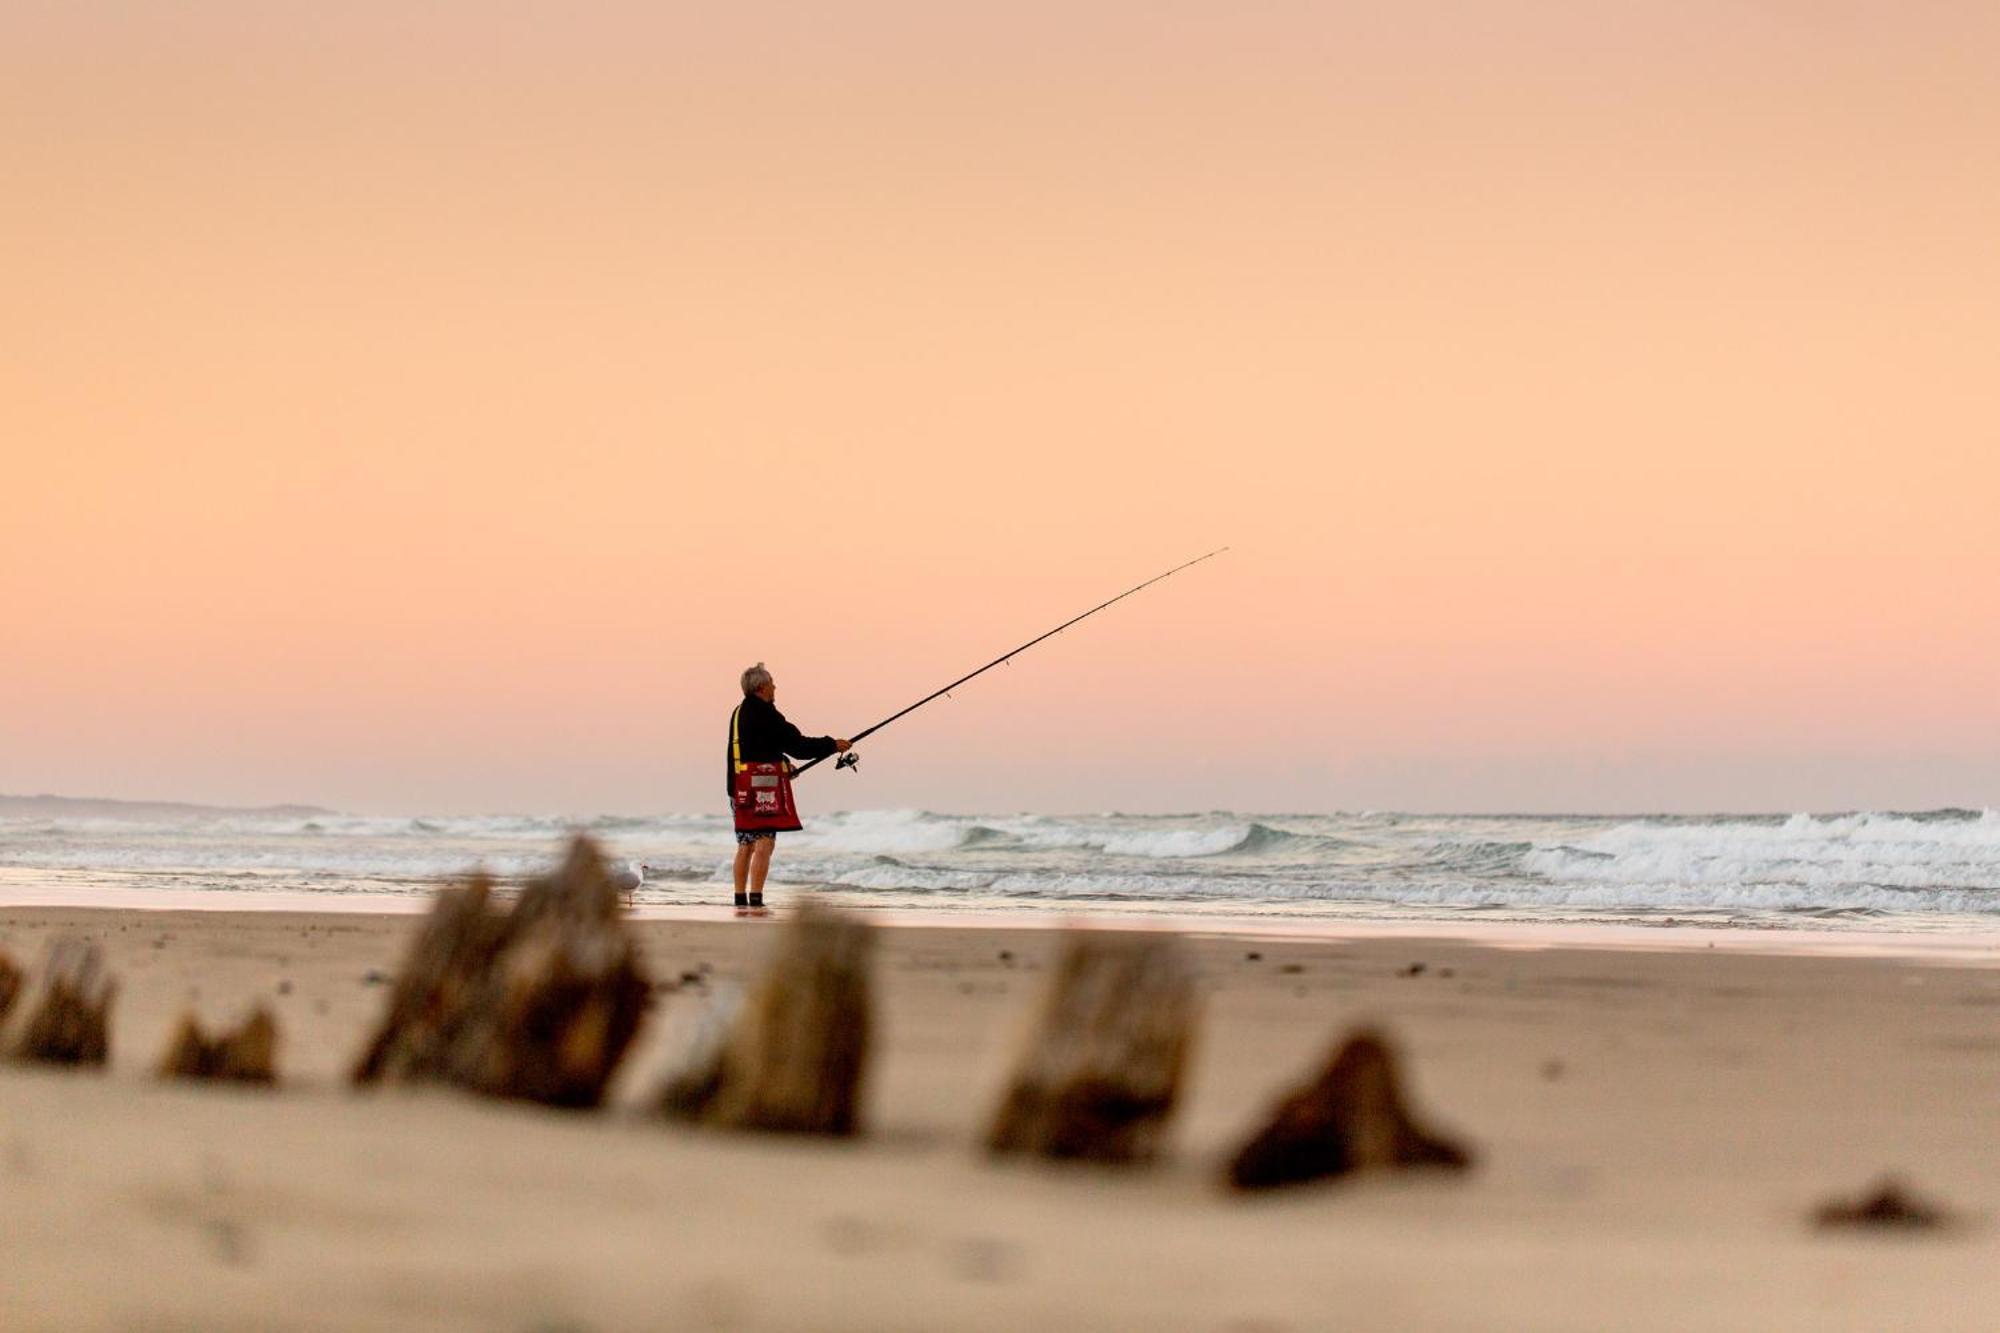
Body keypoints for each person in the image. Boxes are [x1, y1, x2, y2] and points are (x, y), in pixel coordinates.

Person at [726, 663, 848, 915]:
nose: (775, 686)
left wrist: (781, 763)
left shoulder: (739, 712)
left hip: (737, 786)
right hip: (762, 788)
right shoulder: (767, 714)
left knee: (745, 845)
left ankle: (740, 899)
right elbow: (798, 745)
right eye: (772, 682)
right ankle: (756, 900)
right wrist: (832, 745)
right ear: (762, 687)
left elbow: (754, 749)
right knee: (764, 843)